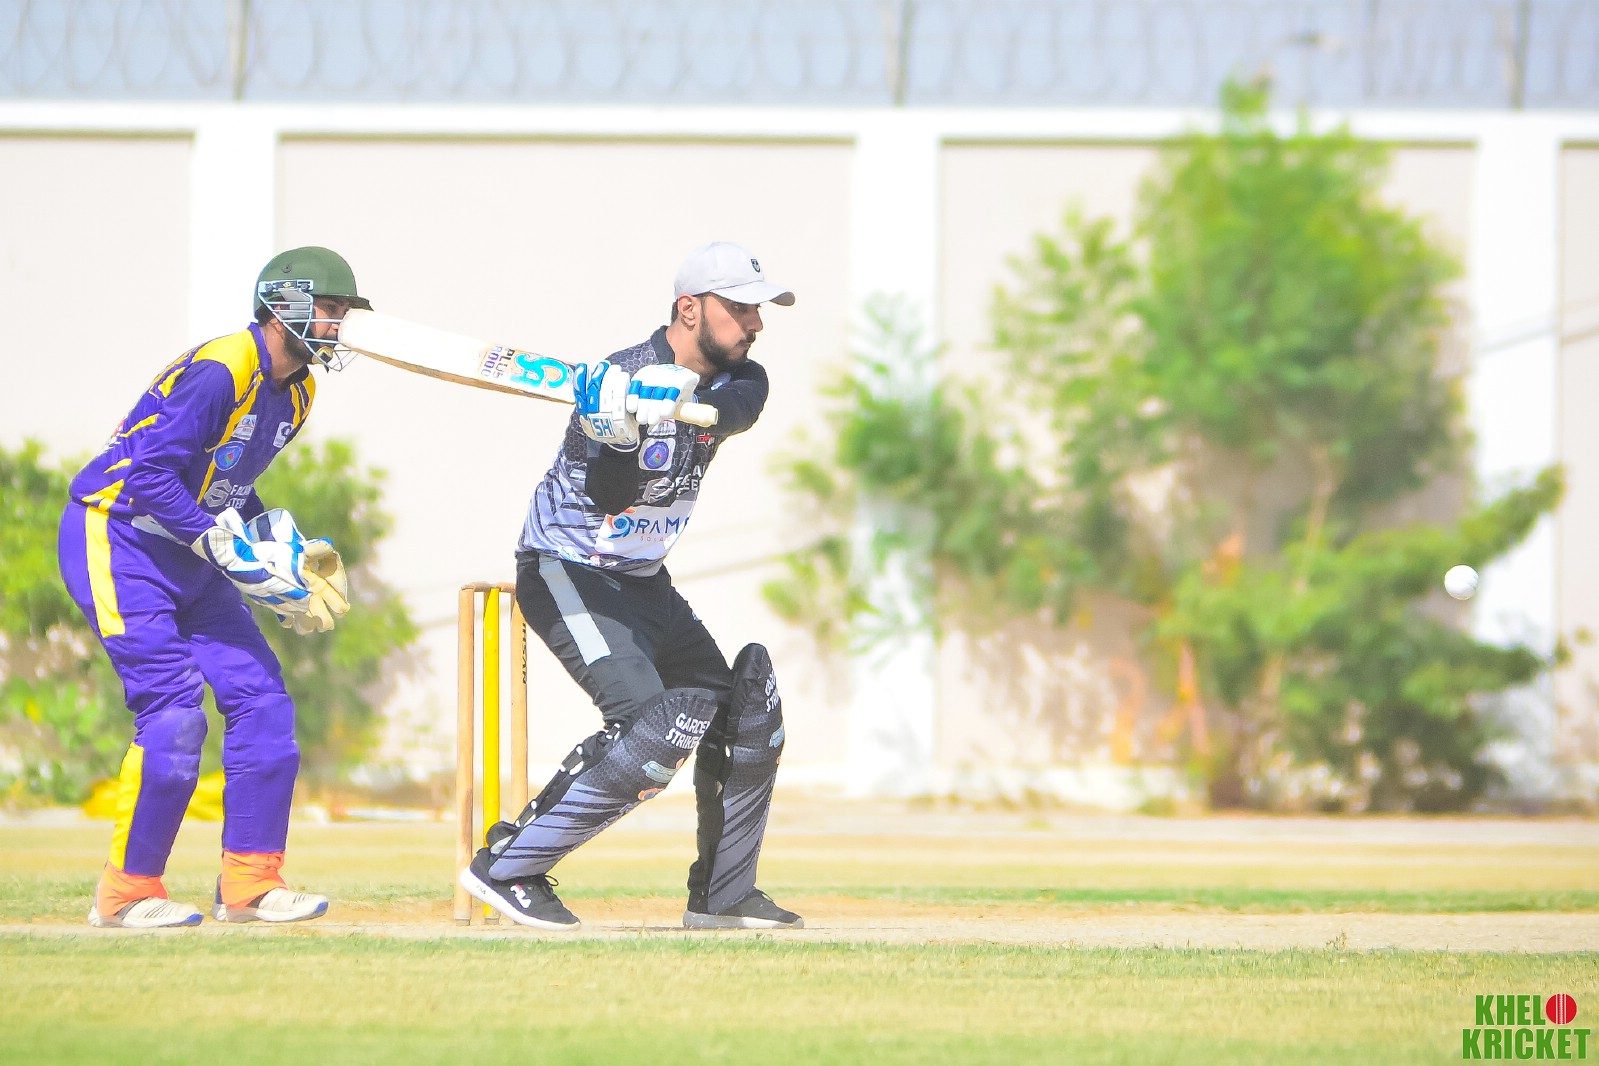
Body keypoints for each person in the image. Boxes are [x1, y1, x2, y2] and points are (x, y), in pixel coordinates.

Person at [459, 241, 802, 931]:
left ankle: (723, 894)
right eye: (739, 308)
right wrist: (618, 433)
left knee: (743, 716)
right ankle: (509, 867)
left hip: (644, 582)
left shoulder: (742, 375)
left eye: (757, 309)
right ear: (689, 308)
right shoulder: (615, 380)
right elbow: (609, 496)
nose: (755, 323)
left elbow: (739, 408)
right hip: (567, 569)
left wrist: (677, 404)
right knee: (650, 724)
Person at [57, 246, 367, 928]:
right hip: (117, 534)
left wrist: (275, 555)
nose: (337, 325)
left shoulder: (300, 391)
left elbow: (226, 482)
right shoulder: (222, 367)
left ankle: (251, 883)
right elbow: (148, 478)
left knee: (263, 703)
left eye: (342, 312)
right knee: (174, 710)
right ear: (283, 304)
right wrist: (223, 545)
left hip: (188, 547)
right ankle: (126, 892)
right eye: (329, 308)